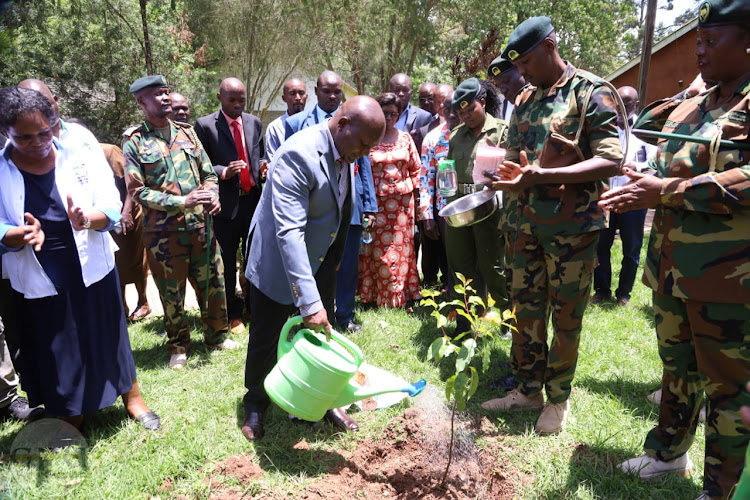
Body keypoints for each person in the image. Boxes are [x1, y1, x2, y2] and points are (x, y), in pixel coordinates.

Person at [600, 2, 750, 497]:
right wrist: (689, 89)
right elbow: (643, 125)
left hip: (728, 279)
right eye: (698, 41)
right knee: (676, 370)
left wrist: (664, 192)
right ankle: (667, 454)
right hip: (670, 268)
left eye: (712, 40)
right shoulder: (699, 100)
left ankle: (720, 487)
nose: (700, 50)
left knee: (728, 387)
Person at [482, 17, 623, 435]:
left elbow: (611, 159)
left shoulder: (592, 92)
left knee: (565, 315)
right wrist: (502, 172)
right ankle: (527, 390)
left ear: (549, 47)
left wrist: (539, 176)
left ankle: (558, 398)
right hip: (522, 225)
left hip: (572, 229)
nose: (520, 72)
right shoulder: (524, 99)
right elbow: (515, 157)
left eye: (525, 62)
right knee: (524, 311)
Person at [0, 86, 159, 430]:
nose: (40, 142)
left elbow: (110, 205)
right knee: (59, 342)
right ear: (5, 133)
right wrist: (13, 235)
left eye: (45, 131)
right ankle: (72, 412)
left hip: (89, 257)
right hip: (38, 266)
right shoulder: (1, 169)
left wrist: (86, 218)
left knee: (108, 331)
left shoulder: (80, 148)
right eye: (25, 138)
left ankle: (132, 397)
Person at [240, 96, 385, 441]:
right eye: (363, 144)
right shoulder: (298, 153)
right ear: (344, 123)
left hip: (318, 259)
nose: (364, 154)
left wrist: (331, 262)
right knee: (267, 336)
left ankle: (321, 401)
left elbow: (337, 203)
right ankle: (256, 404)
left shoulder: (346, 148)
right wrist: (308, 301)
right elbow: (288, 233)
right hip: (278, 260)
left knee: (321, 335)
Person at [123, 75, 238, 370]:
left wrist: (212, 195)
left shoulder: (187, 133)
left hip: (201, 226)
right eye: (157, 95)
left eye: (166, 92)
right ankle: (178, 346)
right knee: (171, 293)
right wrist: (179, 202)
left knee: (213, 284)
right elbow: (137, 192)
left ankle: (217, 336)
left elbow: (209, 173)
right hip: (163, 235)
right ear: (141, 101)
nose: (165, 98)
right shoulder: (136, 141)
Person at [283, 70, 377, 332]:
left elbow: (364, 164)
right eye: (327, 91)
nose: (333, 96)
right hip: (316, 208)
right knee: (311, 263)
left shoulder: (359, 124)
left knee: (345, 264)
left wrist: (369, 205)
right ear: (316, 91)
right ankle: (304, 313)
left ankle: (343, 316)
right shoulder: (298, 123)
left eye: (338, 92)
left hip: (350, 204)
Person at [194, 78, 264, 336]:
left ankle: (254, 307)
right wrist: (223, 171)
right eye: (232, 99)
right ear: (219, 97)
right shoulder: (204, 125)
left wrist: (263, 166)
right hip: (224, 207)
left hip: (253, 203)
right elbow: (199, 165)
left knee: (255, 259)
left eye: (241, 100)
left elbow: (260, 155)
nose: (237, 105)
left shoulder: (254, 122)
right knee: (226, 261)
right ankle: (233, 314)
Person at [444, 78, 510, 336]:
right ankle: (464, 323)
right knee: (461, 269)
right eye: (460, 113)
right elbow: (449, 171)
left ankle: (508, 321)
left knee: (494, 267)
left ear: (482, 103)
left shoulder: (502, 131)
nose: (466, 117)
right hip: (460, 208)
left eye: (470, 110)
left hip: (490, 209)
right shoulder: (455, 136)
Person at [591, 86, 656, 307]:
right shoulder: (604, 127)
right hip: (606, 197)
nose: (620, 108)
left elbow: (655, 165)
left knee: (631, 247)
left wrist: (635, 168)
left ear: (636, 105)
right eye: (616, 103)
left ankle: (624, 294)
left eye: (626, 104)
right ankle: (601, 290)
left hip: (633, 199)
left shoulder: (647, 130)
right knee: (601, 246)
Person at [358, 93, 422, 308]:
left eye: (394, 114)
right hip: (376, 206)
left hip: (402, 207)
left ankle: (402, 295)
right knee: (377, 252)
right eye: (385, 113)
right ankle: (376, 296)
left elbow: (416, 170)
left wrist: (417, 202)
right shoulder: (368, 138)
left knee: (403, 251)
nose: (389, 118)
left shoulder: (405, 138)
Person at [418, 91, 459, 292]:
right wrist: (428, 216)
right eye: (448, 109)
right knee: (451, 259)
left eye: (456, 109)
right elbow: (425, 180)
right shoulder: (433, 138)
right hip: (445, 211)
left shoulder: (475, 134)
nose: (452, 114)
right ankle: (455, 302)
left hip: (475, 208)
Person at [265, 78, 307, 162]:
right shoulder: (275, 128)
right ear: (284, 98)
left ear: (306, 96)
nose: (298, 98)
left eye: (301, 93)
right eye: (292, 93)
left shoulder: (315, 124)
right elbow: (272, 162)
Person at [389, 73, 433, 152]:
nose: (401, 94)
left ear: (411, 93)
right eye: (397, 90)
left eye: (405, 90)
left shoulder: (424, 117)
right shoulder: (380, 115)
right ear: (389, 91)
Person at [487, 56, 526, 123]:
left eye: (506, 81)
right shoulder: (499, 108)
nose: (503, 90)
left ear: (521, 71)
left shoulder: (542, 97)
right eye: (498, 85)